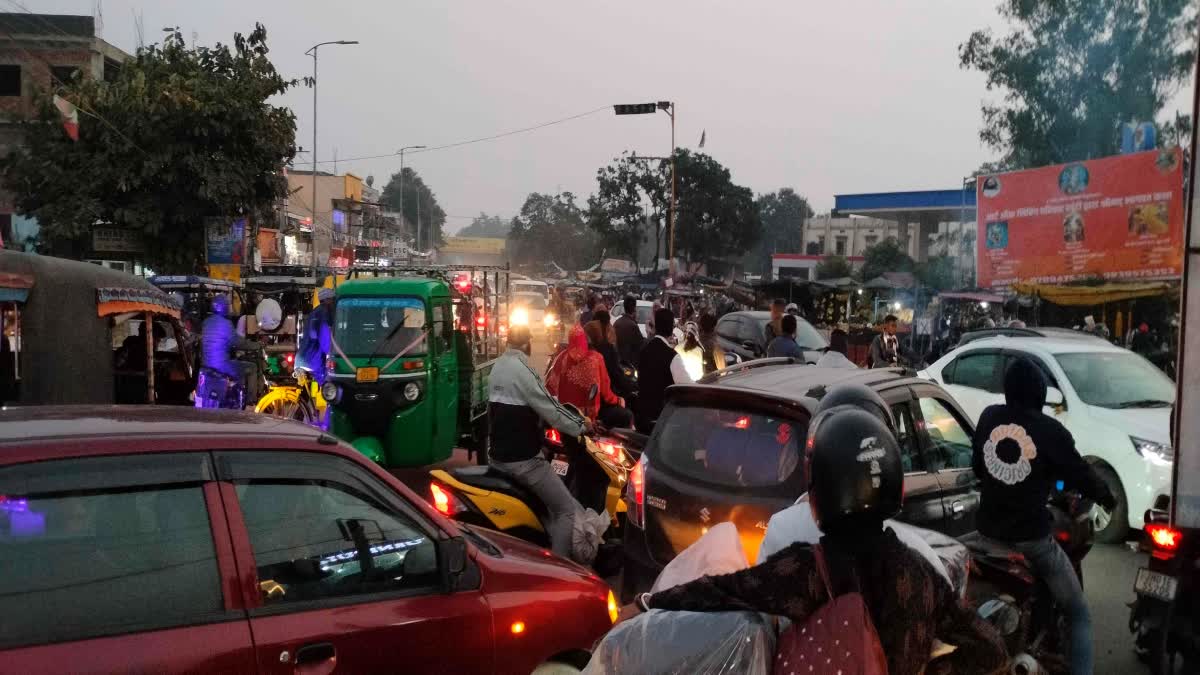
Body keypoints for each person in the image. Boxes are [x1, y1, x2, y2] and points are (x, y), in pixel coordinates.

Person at [622, 384, 1007, 675]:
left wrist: (645, 603)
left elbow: (721, 591)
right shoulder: (922, 575)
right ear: (896, 485)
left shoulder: (809, 572)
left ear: (817, 495)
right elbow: (991, 648)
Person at [972, 356, 1117, 675]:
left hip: (985, 539)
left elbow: (978, 468)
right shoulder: (1050, 430)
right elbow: (1081, 473)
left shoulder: (989, 417)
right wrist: (1106, 495)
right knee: (1078, 613)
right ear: (1039, 393)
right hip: (1031, 542)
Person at [487, 324, 592, 560]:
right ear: (527, 344)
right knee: (566, 510)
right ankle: (560, 568)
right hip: (522, 461)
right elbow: (551, 410)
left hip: (498, 457)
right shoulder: (524, 370)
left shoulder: (497, 368)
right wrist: (582, 426)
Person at [548, 325, 631, 429]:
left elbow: (550, 388)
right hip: (589, 420)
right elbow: (606, 393)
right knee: (626, 415)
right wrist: (618, 400)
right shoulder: (596, 358)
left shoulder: (562, 357)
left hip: (565, 416)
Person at [635, 307, 693, 433]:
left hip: (641, 416)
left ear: (655, 326)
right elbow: (688, 387)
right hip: (662, 420)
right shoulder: (672, 356)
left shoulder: (644, 349)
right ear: (672, 328)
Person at [199, 295, 258, 406]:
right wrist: (256, 345)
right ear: (224, 307)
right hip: (222, 366)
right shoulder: (226, 324)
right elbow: (237, 342)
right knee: (252, 368)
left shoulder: (206, 322)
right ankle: (250, 402)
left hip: (206, 366)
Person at [587, 314, 636, 401]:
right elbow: (616, 376)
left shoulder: (582, 349)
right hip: (602, 400)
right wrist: (634, 386)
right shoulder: (605, 351)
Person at [296, 288, 335, 386]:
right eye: (333, 299)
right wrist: (332, 354)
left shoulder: (315, 312)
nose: (334, 302)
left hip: (304, 358)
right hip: (312, 359)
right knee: (329, 386)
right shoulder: (323, 313)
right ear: (327, 300)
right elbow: (325, 339)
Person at [614, 296, 644, 365]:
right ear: (634, 309)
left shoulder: (617, 322)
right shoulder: (633, 325)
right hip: (629, 362)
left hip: (618, 360)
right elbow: (640, 344)